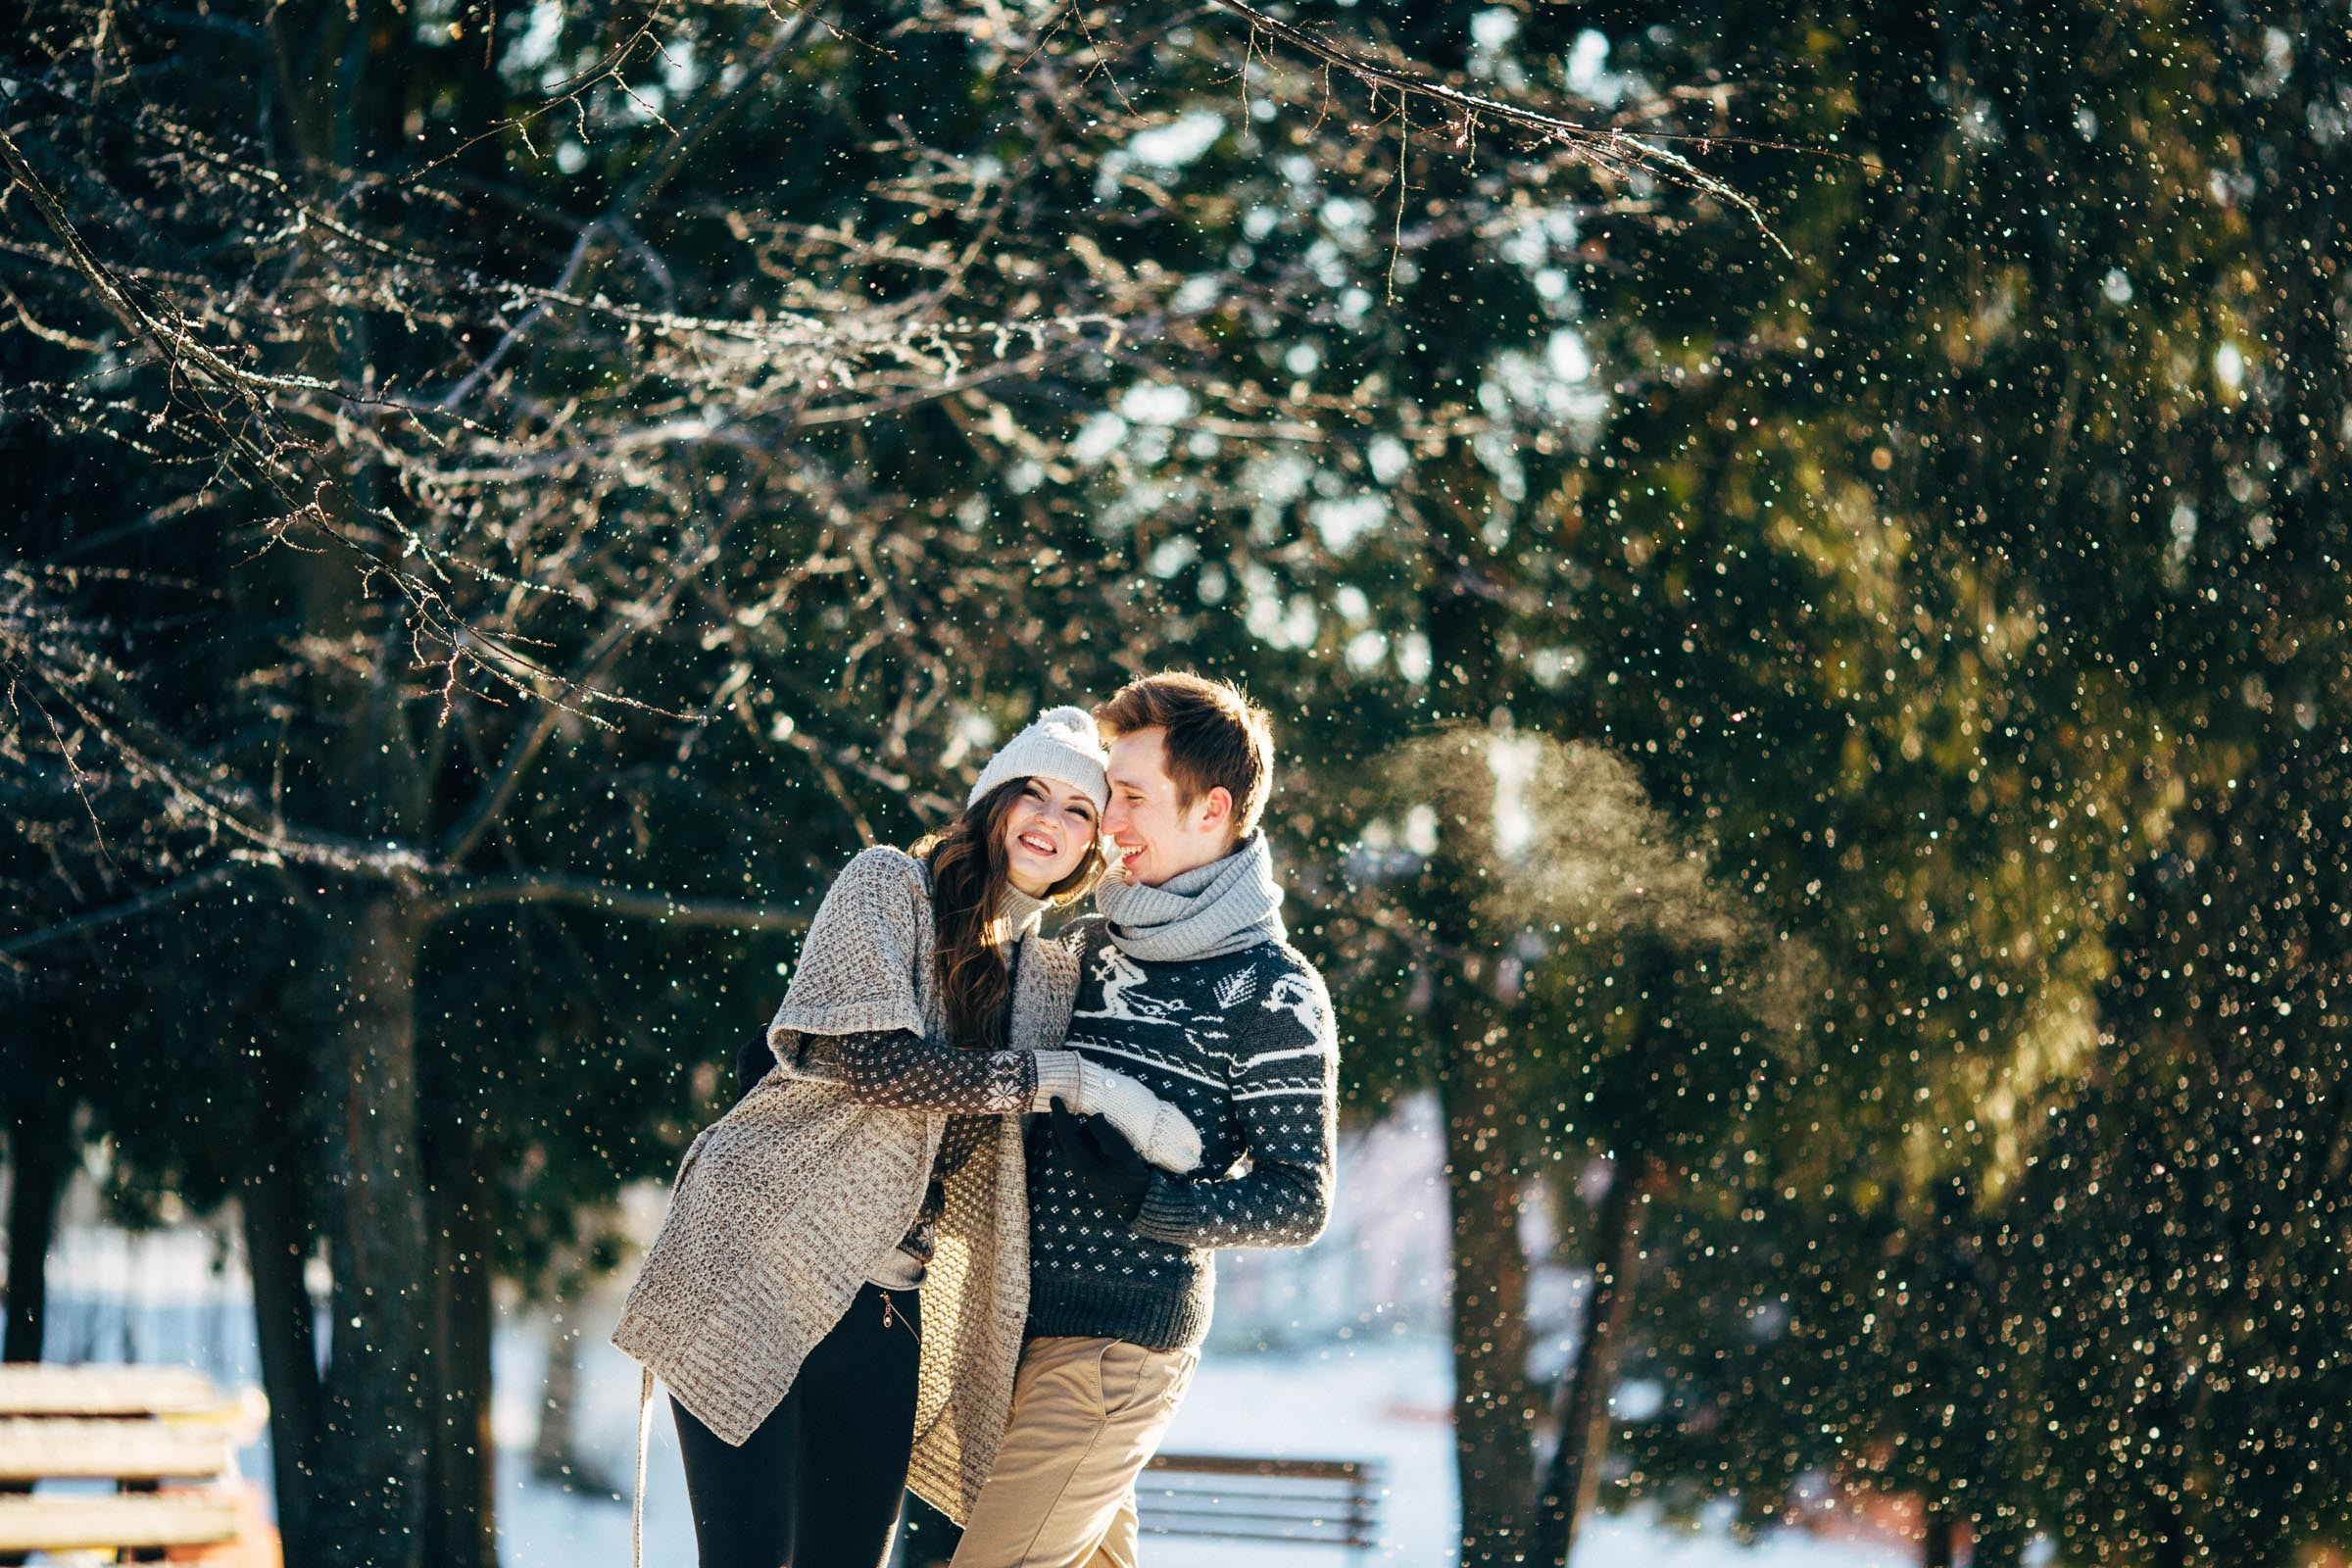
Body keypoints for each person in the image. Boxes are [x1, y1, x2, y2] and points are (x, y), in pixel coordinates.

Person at [612, 707, 1204, 1568]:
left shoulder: (1047, 975)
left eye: (1080, 810)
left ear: (1092, 846)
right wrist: (1064, 1080)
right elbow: (879, 1065)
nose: (1051, 819)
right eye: (1030, 793)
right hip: (755, 1257)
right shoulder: (888, 884)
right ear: (991, 803)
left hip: (890, 1305)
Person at [950, 673, 1341, 1568]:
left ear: (1211, 810)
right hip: (1008, 1326)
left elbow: (1300, 1200)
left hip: (1113, 1349)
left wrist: (1158, 1202)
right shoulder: (1088, 947)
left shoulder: (1276, 993)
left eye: (1129, 796)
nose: (1106, 818)